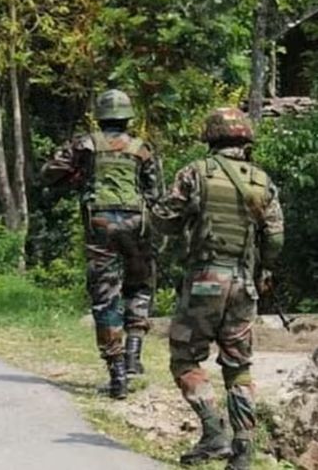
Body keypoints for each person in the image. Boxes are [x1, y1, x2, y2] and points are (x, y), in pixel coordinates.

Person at [150, 108, 283, 469]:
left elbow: (164, 220)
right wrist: (264, 268)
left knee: (184, 356)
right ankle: (243, 452)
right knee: (238, 366)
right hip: (243, 284)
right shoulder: (262, 180)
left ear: (211, 137)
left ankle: (213, 433)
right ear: (245, 140)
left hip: (205, 280)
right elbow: (275, 236)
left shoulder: (195, 173)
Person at [40, 89, 160, 399]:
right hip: (137, 224)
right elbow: (155, 193)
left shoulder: (86, 144)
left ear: (101, 115)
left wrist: (77, 177)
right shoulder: (141, 148)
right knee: (139, 287)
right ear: (126, 117)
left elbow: (50, 172)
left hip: (100, 225)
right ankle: (134, 355)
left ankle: (117, 371)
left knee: (106, 296)